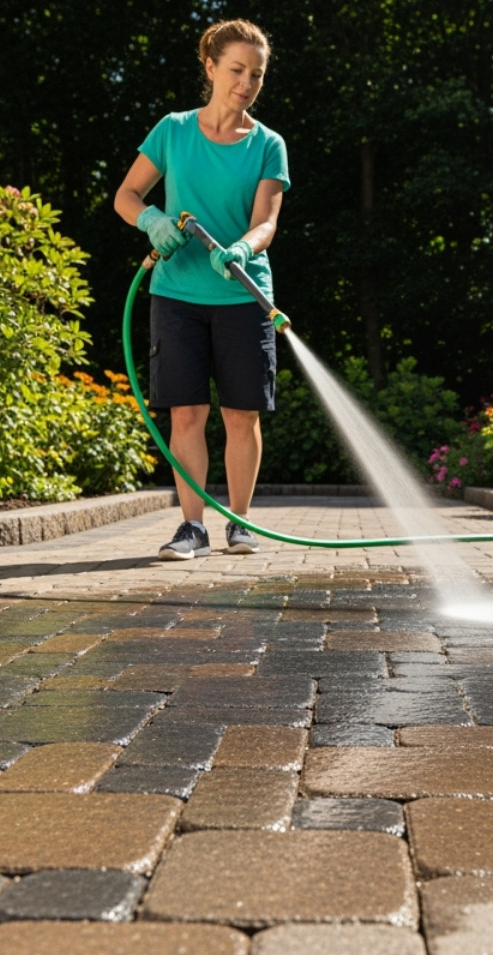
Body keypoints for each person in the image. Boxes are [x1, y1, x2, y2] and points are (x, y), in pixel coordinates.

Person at [114, 18, 289, 560]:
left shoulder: (268, 144)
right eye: (236, 70)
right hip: (177, 294)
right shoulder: (173, 130)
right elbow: (126, 195)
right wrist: (151, 222)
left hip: (242, 294)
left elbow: (267, 221)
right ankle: (193, 528)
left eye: (256, 74)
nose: (246, 83)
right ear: (210, 67)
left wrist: (243, 248)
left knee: (242, 414)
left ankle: (240, 524)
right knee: (185, 413)